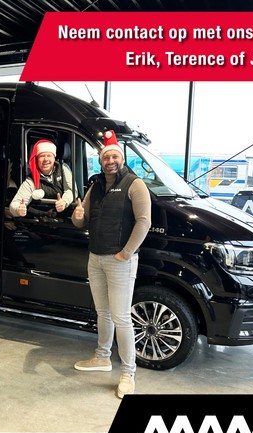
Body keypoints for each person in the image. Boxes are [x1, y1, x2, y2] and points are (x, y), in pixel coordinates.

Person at [72, 130, 151, 398]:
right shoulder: (95, 186)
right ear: (101, 161)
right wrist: (77, 214)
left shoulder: (134, 184)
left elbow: (144, 222)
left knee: (121, 317)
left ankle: (128, 373)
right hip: (95, 258)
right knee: (102, 312)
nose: (111, 161)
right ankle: (102, 357)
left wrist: (126, 253)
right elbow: (81, 221)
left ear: (122, 158)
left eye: (115, 156)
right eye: (106, 157)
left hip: (120, 261)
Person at [9, 140, 75, 218]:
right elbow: (14, 204)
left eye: (49, 155)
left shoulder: (63, 169)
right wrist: (18, 210)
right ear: (37, 159)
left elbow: (71, 191)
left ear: (54, 158)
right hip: (41, 219)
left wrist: (64, 202)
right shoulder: (31, 180)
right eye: (42, 156)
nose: (46, 159)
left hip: (64, 219)